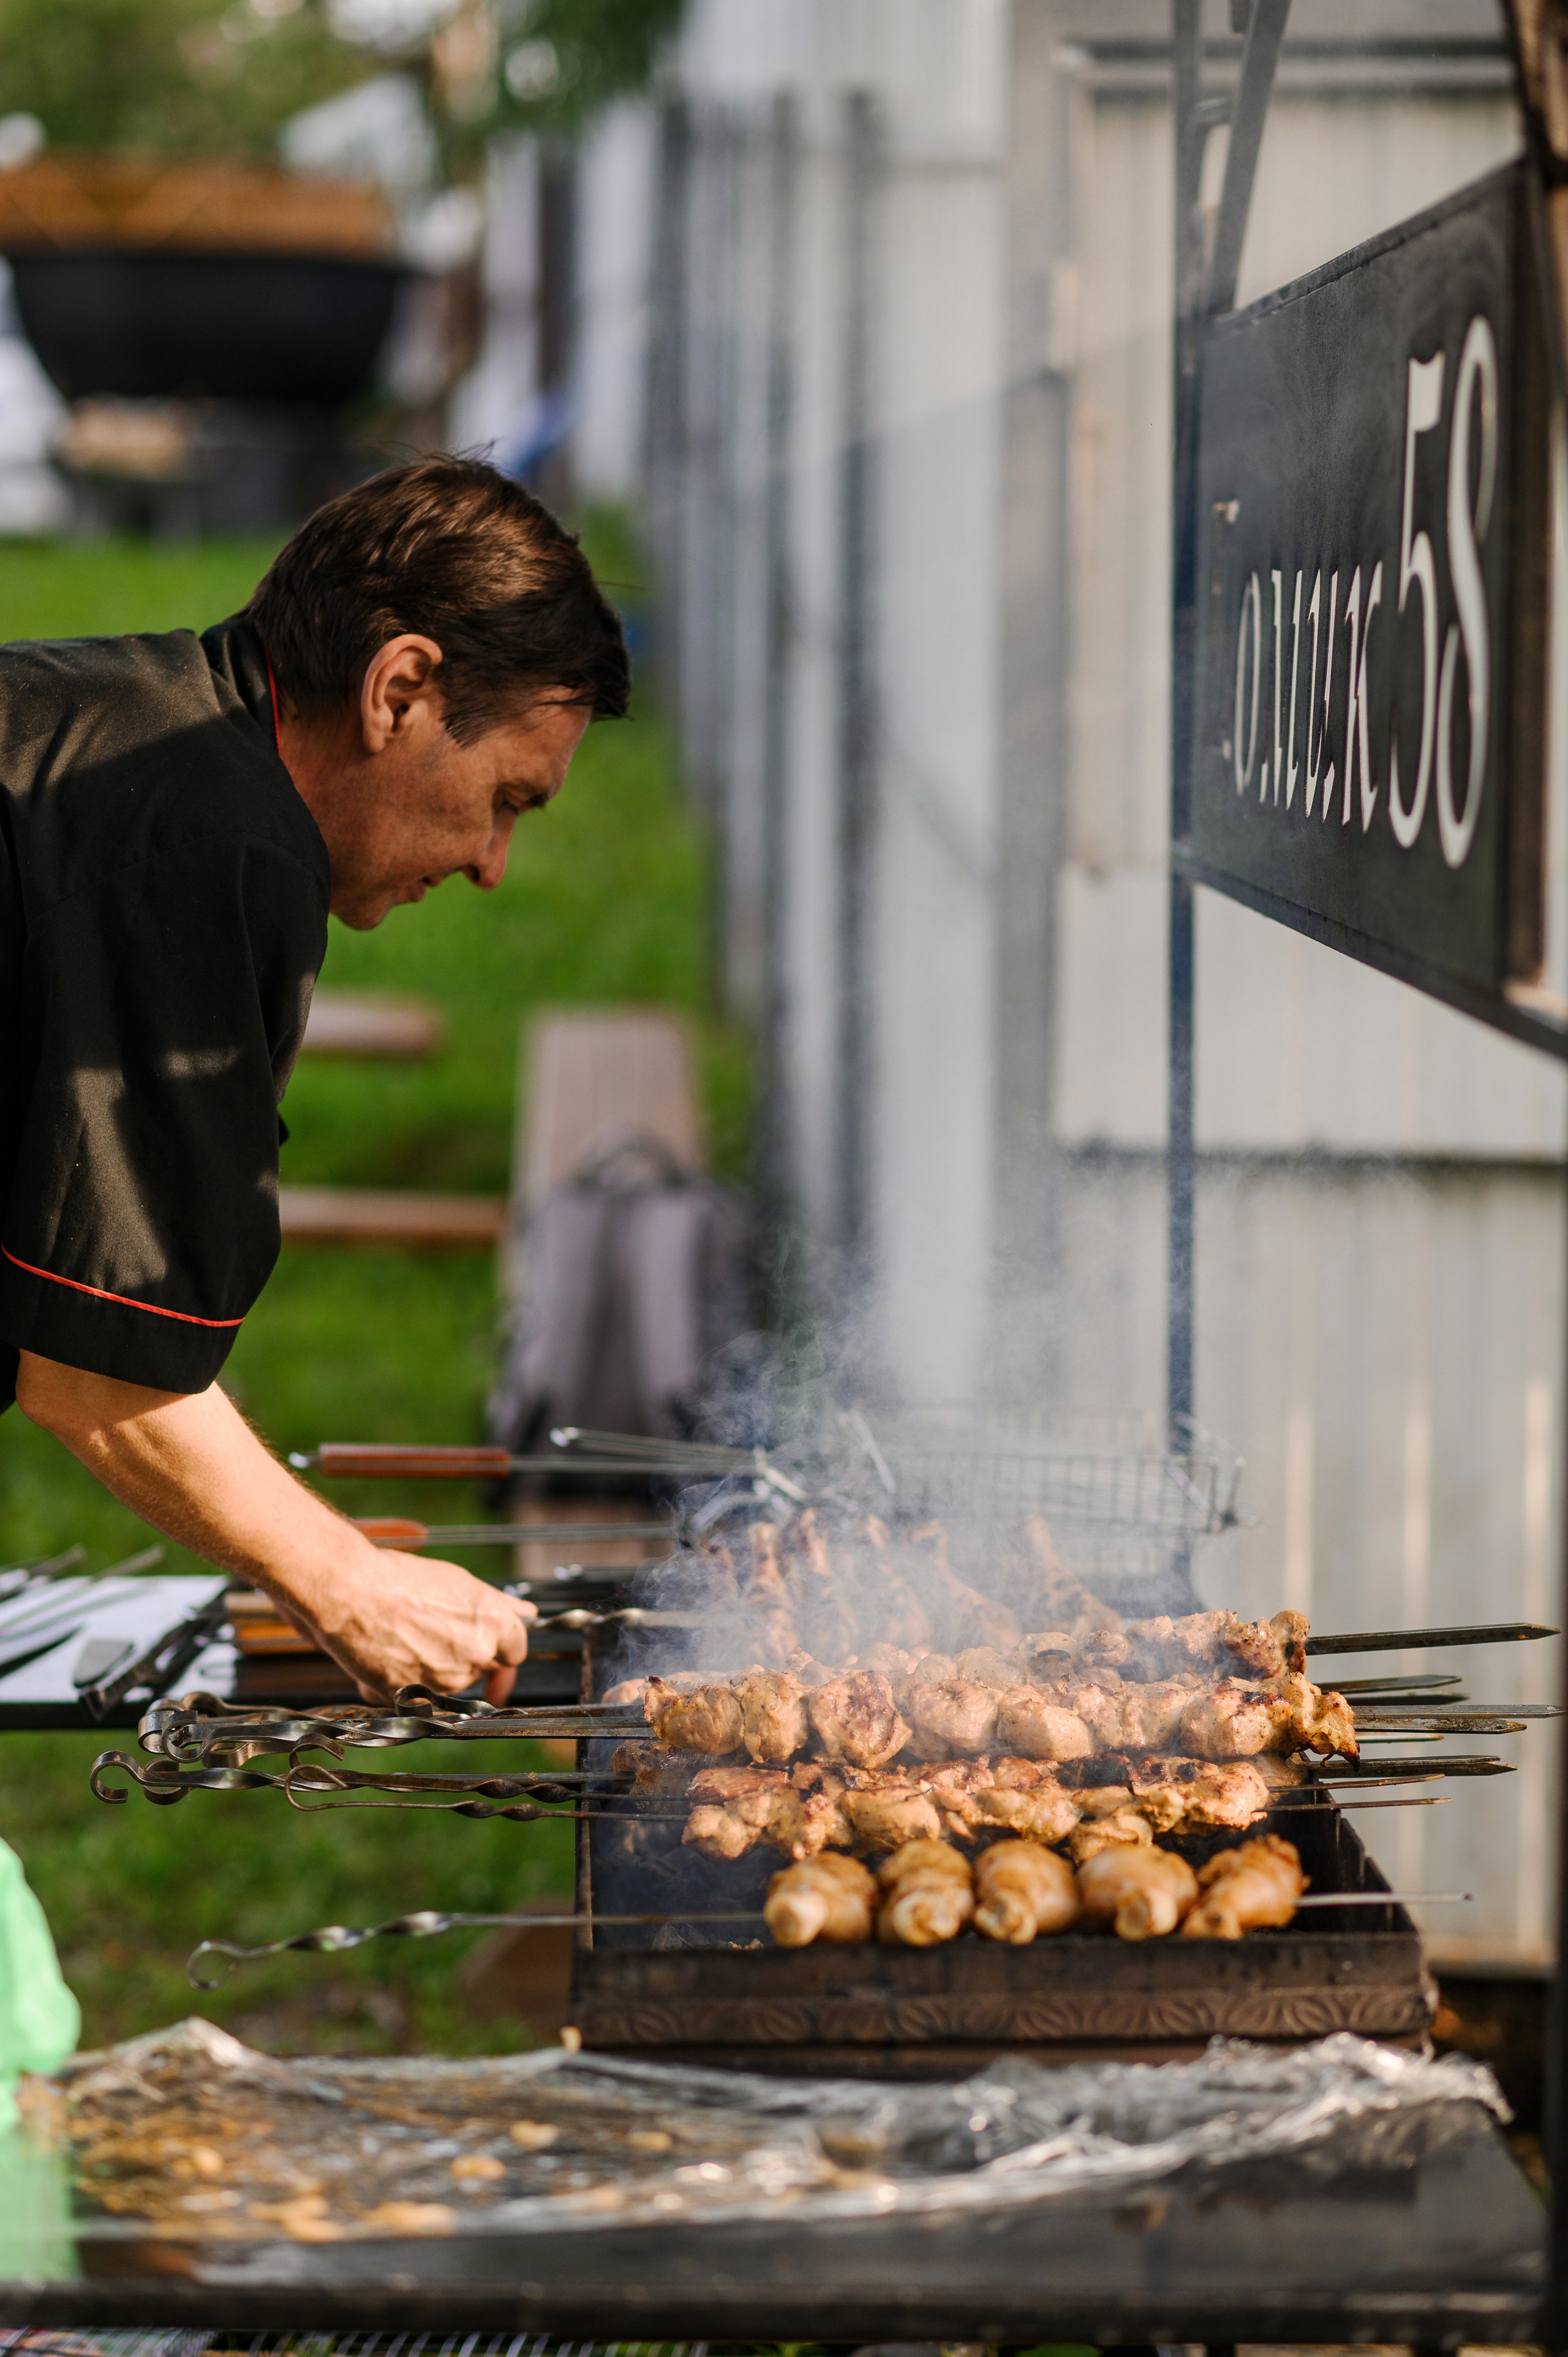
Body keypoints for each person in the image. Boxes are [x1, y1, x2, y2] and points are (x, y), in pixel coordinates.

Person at [0, 455, 629, 1703]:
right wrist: (347, 1582)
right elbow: (101, 1372)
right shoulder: (213, 842)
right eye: (505, 799)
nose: (493, 863)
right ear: (400, 690)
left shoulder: (113, 722)